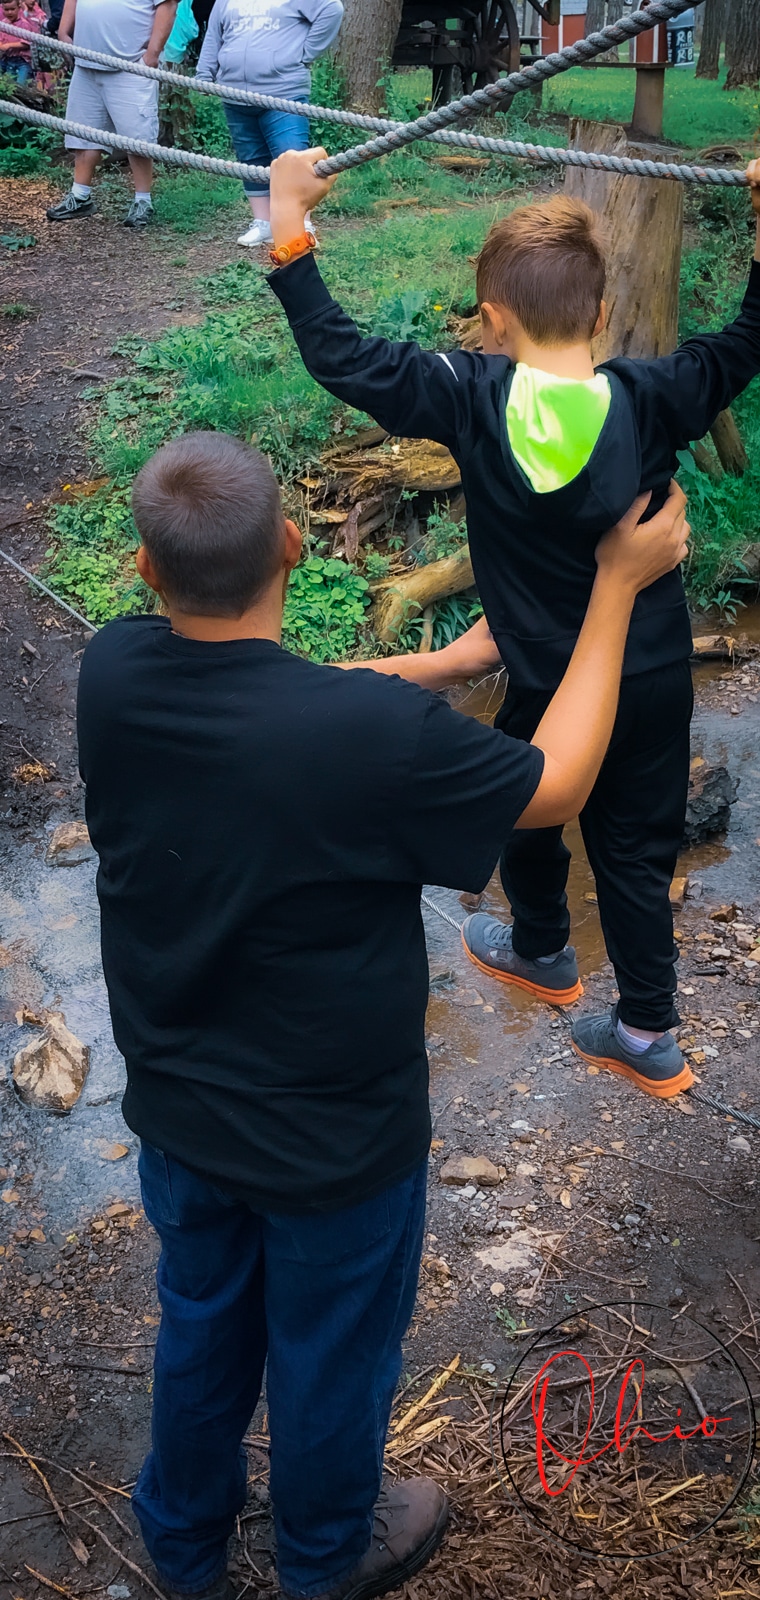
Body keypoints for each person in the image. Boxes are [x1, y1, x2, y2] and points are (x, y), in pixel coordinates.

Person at [77, 430, 687, 1600]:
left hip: (181, 1114)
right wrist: (613, 588)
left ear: (150, 576)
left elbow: (291, 697)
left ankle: (183, 1547)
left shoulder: (113, 668)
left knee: (201, 1322)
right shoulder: (369, 747)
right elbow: (553, 783)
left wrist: (441, 664)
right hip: (336, 1145)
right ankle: (323, 1555)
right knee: (330, 1351)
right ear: (295, 546)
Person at [266, 146, 760, 1101]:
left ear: (491, 322)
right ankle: (648, 1029)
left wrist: (292, 227)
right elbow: (750, 334)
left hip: (545, 674)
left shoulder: (466, 393)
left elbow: (340, 353)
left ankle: (540, 946)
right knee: (636, 843)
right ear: (605, 315)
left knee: (526, 799)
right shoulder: (657, 395)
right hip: (651, 673)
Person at [196, 0, 343, 250]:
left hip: (283, 92)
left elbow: (332, 9)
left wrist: (302, 55)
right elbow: (214, 34)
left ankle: (303, 225)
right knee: (250, 159)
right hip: (234, 94)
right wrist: (204, 73)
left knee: (292, 156)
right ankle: (263, 223)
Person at [45, 0, 178, 228]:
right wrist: (63, 32)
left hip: (131, 65)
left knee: (137, 138)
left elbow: (167, 5)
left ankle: (143, 201)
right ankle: (80, 196)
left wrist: (152, 54)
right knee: (83, 134)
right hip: (86, 63)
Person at [0, 0, 37, 82]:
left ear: (19, 8)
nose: (10, 12)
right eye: (6, 10)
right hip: (8, 59)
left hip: (22, 61)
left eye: (13, 9)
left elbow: (27, 43)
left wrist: (9, 45)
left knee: (21, 85)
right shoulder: (3, 24)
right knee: (9, 85)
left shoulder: (24, 24)